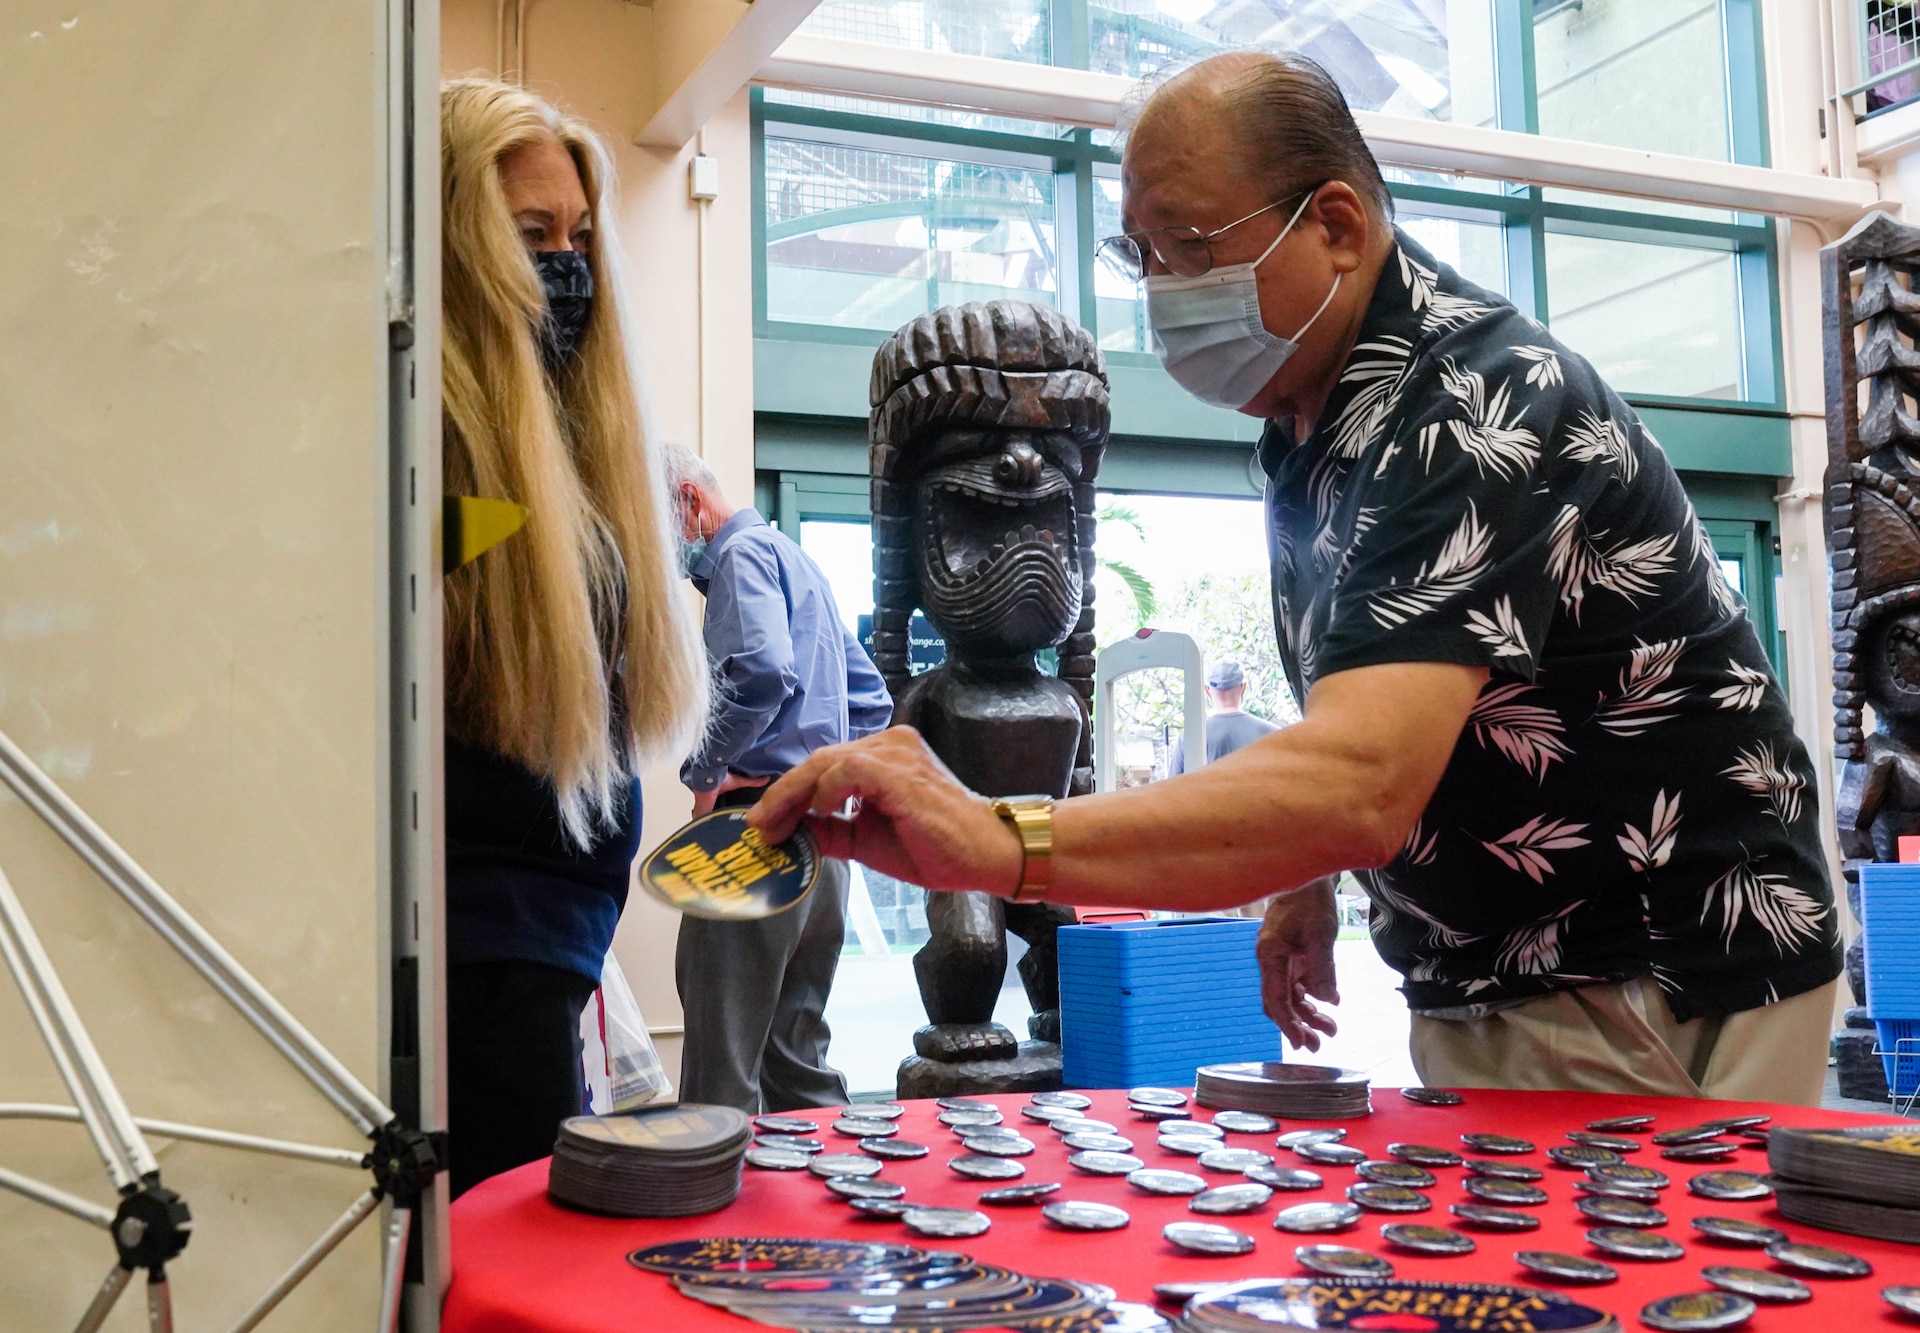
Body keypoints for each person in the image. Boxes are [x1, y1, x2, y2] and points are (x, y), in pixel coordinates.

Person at [749, 51, 1843, 1107]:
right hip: (1506, 973)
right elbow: (1382, 708)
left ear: (1334, 224)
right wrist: (1301, 875)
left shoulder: (1470, 402)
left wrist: (1005, 843)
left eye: (1186, 246)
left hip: (1655, 972)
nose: (1163, 291)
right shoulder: (1315, 432)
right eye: (1141, 256)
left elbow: (1360, 781)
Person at [439, 79, 707, 1196]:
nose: (564, 264)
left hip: (555, 938)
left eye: (578, 238)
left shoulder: (578, 467)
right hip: (477, 949)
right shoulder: (433, 466)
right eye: (530, 235)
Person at [666, 444, 893, 1113]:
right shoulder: (799, 562)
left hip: (751, 835)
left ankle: (711, 1222)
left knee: (721, 1075)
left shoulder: (738, 556)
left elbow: (763, 671)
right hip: (822, 847)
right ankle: (834, 1212)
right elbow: (872, 697)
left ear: (688, 501)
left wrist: (705, 770)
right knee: (801, 1071)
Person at [1168, 660, 1277, 775]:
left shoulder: (1190, 737)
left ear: (1207, 690)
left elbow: (1171, 789)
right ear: (1243, 688)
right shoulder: (1273, 734)